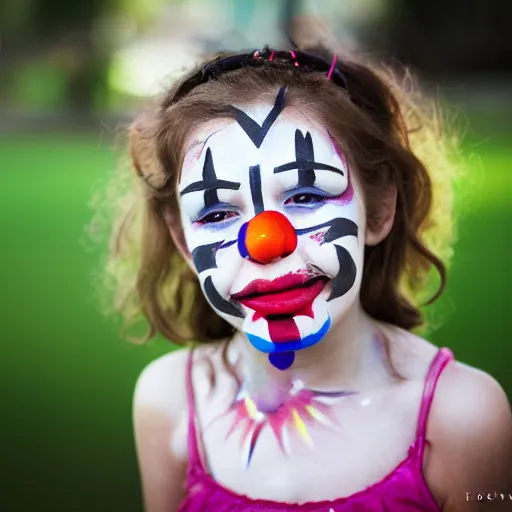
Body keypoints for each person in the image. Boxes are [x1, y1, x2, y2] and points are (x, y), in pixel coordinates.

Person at [98, 22, 512, 512]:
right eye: (215, 213)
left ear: (378, 210)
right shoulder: (169, 402)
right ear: (183, 240)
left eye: (306, 195)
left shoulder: (462, 416)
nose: (265, 242)